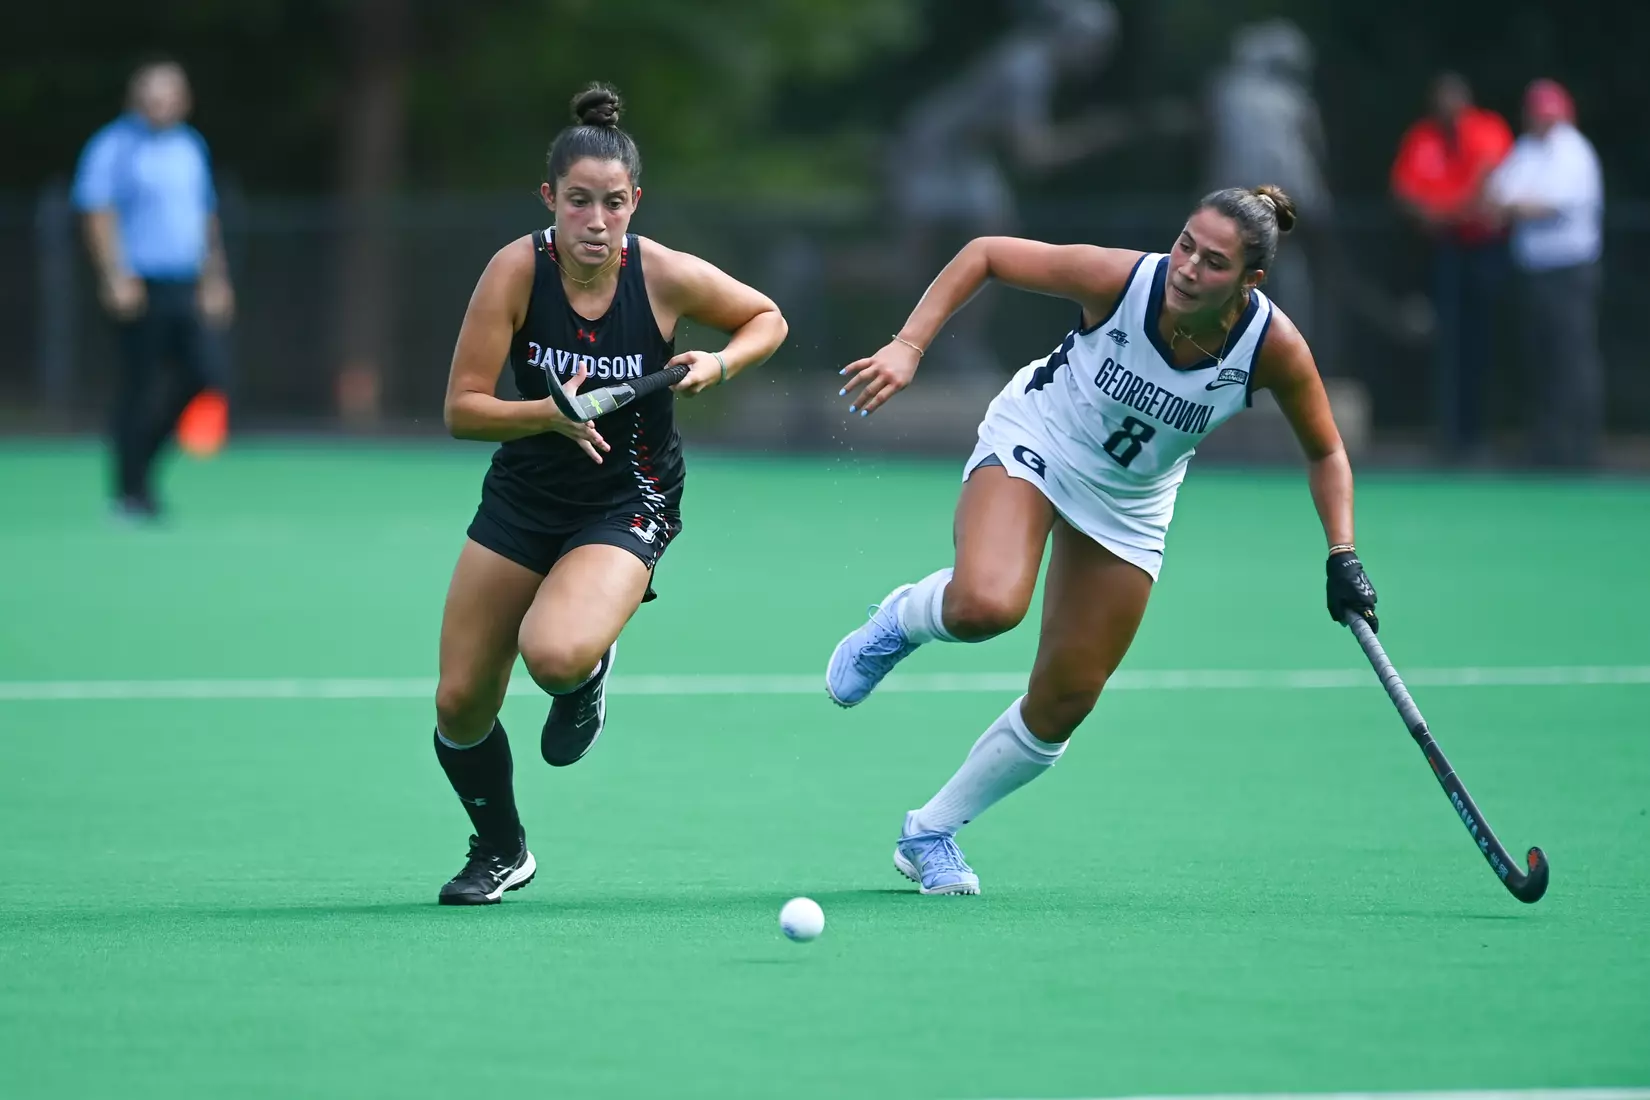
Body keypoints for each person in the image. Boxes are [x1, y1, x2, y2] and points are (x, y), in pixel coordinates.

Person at [827, 185, 1377, 895]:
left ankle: (931, 833)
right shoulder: (1121, 280)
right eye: (1185, 245)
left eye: (1213, 262)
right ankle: (901, 619)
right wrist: (908, 347)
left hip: (1130, 502)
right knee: (986, 606)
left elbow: (1326, 450)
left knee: (1068, 698)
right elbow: (986, 253)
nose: (1187, 268)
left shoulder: (1273, 347)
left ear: (1251, 279)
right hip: (1039, 439)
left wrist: (1342, 554)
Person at [432, 84, 788, 905]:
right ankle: (501, 850)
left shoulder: (661, 274)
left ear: (636, 204)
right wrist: (545, 416)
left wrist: (719, 363)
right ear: (549, 199)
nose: (596, 221)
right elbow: (462, 411)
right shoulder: (515, 272)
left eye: (614, 203)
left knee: (554, 655)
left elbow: (766, 318)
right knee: (460, 703)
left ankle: (588, 669)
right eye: (579, 201)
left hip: (628, 496)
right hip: (524, 494)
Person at [71, 59, 234, 520]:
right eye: (152, 93)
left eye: (170, 94)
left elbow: (205, 216)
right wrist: (114, 275)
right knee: (139, 387)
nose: (161, 102)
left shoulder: (190, 146)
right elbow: (97, 212)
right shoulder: (113, 145)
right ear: (136, 97)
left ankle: (142, 462)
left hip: (185, 282)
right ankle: (129, 491)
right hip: (139, 284)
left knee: (206, 375)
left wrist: (215, 278)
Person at [1389, 73, 1513, 464]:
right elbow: (1403, 190)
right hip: (1441, 251)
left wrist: (1445, 213)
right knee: (1444, 340)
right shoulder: (1422, 136)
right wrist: (1440, 216)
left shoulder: (1487, 128)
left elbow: (1487, 180)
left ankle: (1478, 435)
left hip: (1481, 249)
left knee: (1480, 341)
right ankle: (1446, 434)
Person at [1484, 79, 1605, 468]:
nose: (1541, 120)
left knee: (1571, 359)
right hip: (1534, 272)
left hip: (1570, 271)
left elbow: (1550, 204)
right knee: (1539, 359)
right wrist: (1514, 205)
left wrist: (1514, 206)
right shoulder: (1526, 149)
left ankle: (1580, 448)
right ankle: (1546, 447)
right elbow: (1497, 194)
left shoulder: (1574, 151)